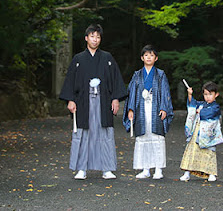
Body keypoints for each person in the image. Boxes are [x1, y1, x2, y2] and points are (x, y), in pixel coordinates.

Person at [59, 24, 128, 180]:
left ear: (100, 39)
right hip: (83, 101)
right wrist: (70, 100)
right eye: (92, 36)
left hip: (103, 100)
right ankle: (81, 168)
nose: (95, 39)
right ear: (86, 38)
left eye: (97, 37)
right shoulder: (78, 59)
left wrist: (116, 98)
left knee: (105, 133)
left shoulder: (107, 58)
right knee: (83, 133)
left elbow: (115, 79)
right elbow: (70, 81)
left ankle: (107, 168)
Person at [123, 45, 174, 180]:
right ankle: (145, 168)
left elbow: (165, 91)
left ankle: (158, 169)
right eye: (146, 55)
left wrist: (164, 108)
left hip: (156, 107)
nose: (149, 57)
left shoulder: (160, 74)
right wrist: (131, 109)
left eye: (151, 55)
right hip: (141, 107)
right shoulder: (137, 75)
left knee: (157, 137)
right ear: (142, 58)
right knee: (142, 137)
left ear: (156, 58)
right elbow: (132, 92)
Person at [179, 81, 223, 182]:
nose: (208, 97)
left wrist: (201, 111)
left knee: (209, 153)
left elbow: (211, 113)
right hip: (197, 132)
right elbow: (193, 104)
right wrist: (190, 94)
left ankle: (211, 173)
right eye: (205, 94)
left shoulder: (215, 107)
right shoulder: (201, 104)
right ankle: (187, 173)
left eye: (210, 94)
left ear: (216, 94)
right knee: (191, 151)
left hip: (208, 134)